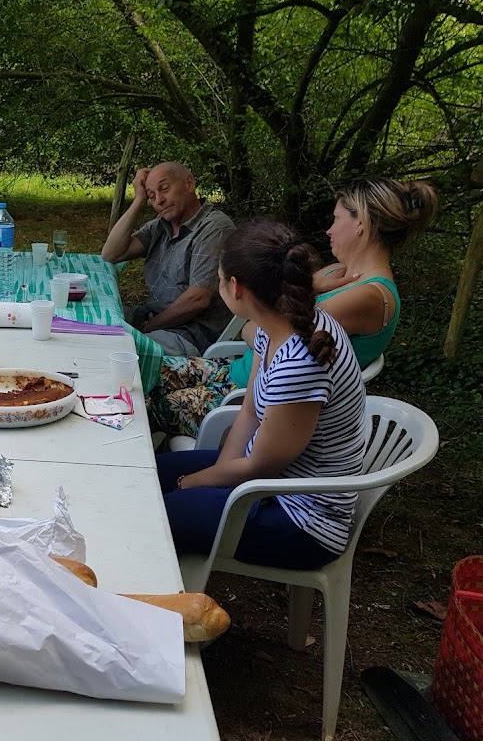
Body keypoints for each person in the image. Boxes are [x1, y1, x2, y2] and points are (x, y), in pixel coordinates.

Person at [149, 176, 438, 438]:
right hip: (234, 372)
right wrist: (309, 287)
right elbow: (265, 322)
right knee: (145, 369)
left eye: (336, 219)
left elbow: (259, 332)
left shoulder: (368, 297)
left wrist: (262, 322)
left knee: (145, 406)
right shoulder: (338, 273)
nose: (328, 230)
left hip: (247, 401)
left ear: (360, 222)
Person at [157, 220, 366, 570]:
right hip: (267, 484)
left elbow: (260, 466)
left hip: (299, 519)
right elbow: (250, 411)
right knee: (144, 477)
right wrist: (215, 475)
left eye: (220, 278)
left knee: (149, 515)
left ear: (236, 287)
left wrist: (189, 484)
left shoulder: (299, 362)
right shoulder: (279, 325)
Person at [101, 162, 235, 356]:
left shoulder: (214, 228)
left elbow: (197, 299)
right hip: (151, 316)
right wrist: (138, 200)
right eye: (152, 196)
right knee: (92, 326)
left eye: (164, 189)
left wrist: (147, 328)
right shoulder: (161, 226)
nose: (159, 201)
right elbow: (111, 253)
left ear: (189, 184)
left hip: (191, 334)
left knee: (114, 351)